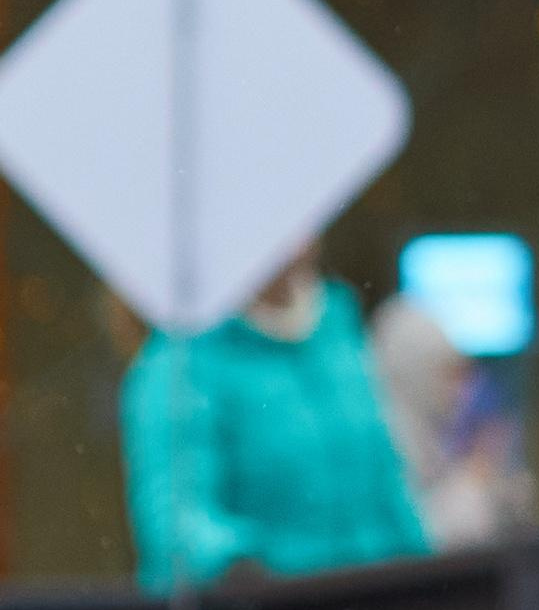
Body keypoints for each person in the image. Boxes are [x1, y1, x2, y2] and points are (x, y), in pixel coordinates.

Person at [120, 244, 430, 590]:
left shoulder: (337, 325)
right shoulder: (184, 358)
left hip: (377, 601)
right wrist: (239, 569)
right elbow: (175, 516)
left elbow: (387, 480)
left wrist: (425, 572)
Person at [371, 292, 537, 550]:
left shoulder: (430, 436)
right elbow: (418, 541)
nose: (462, 392)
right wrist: (475, 479)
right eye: (449, 375)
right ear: (416, 372)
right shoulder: (386, 442)